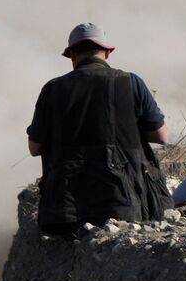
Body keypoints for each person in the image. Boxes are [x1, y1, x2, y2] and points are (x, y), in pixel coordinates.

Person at [26, 23, 171, 236]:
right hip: (125, 206)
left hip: (64, 212)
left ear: (72, 55)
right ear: (107, 53)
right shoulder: (130, 82)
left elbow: (34, 147)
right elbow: (162, 136)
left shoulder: (52, 89)